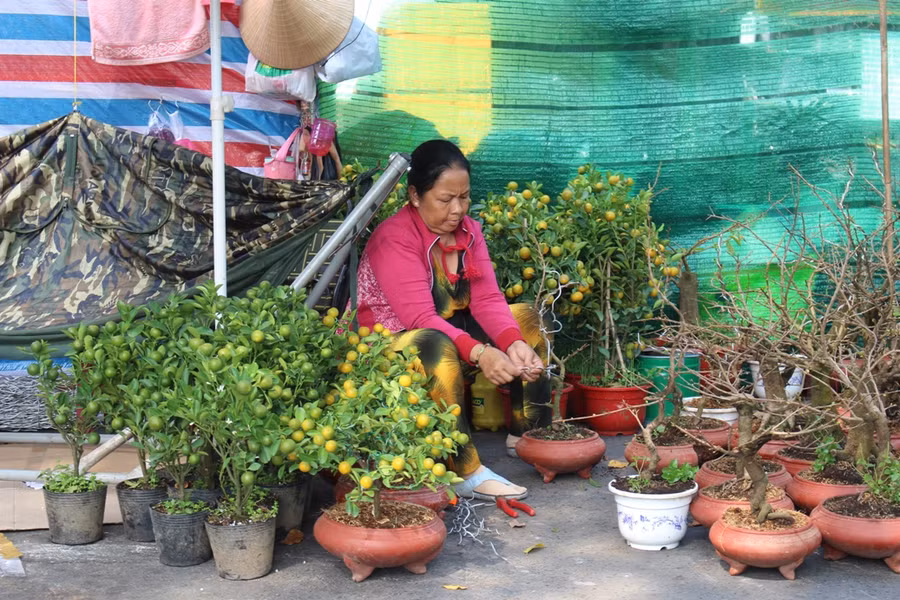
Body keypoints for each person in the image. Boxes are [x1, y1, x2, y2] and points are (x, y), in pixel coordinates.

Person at [356, 139, 551, 500]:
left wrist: (514, 344)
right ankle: (463, 471)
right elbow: (419, 318)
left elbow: (488, 298)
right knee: (434, 344)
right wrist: (481, 354)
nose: (458, 209)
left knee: (523, 316)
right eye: (445, 199)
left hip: (449, 331)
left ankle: (529, 436)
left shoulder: (469, 232)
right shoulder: (395, 238)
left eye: (464, 197)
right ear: (415, 195)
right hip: (387, 345)